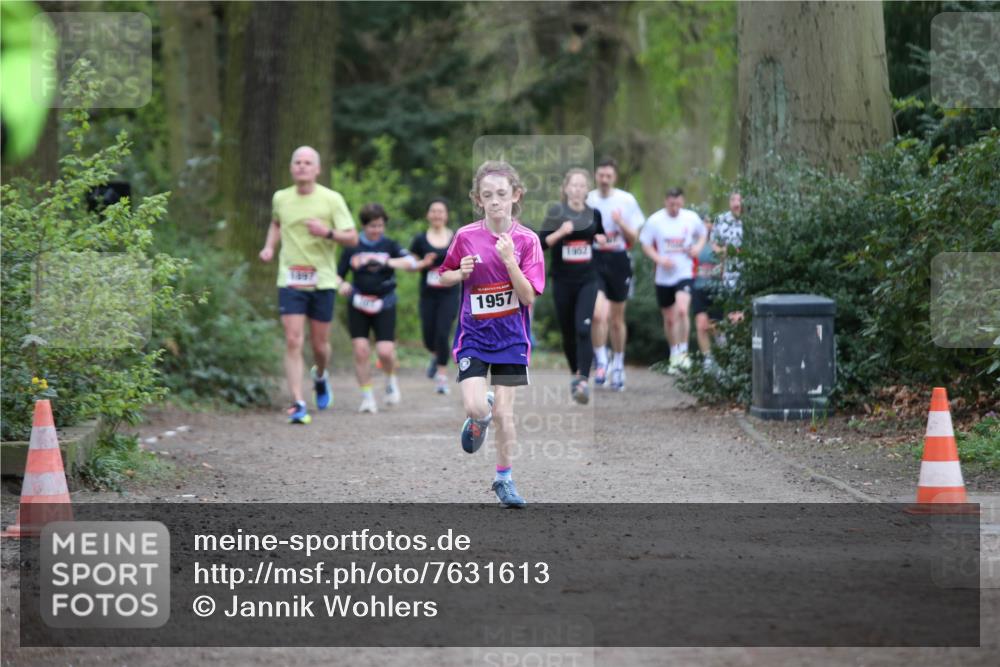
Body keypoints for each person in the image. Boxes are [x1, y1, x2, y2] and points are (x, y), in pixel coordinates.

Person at [438, 160, 545, 508]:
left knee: (504, 413)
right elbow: (444, 275)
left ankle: (504, 479)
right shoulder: (465, 236)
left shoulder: (527, 241)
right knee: (475, 407)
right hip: (474, 335)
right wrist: (459, 273)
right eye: (488, 195)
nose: (496, 200)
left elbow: (528, 297)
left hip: (512, 339)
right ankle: (479, 414)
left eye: (502, 193)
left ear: (515, 195)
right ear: (478, 200)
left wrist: (510, 260)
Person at [259, 146, 358, 425]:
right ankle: (298, 401)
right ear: (291, 168)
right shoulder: (281, 197)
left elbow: (352, 238)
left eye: (307, 163)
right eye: (297, 162)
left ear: (317, 169)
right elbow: (276, 224)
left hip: (323, 280)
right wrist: (269, 247)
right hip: (290, 279)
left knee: (320, 345)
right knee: (293, 340)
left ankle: (320, 375)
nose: (302, 166)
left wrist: (326, 232)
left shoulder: (331, 199)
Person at [338, 203, 420, 413]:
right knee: (361, 350)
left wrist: (388, 261)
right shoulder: (352, 246)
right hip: (358, 303)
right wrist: (342, 284)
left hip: (385, 302)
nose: (377, 230)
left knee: (384, 351)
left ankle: (391, 378)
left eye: (380, 225)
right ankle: (367, 397)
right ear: (364, 226)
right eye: (372, 226)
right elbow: (338, 274)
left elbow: (411, 262)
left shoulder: (389, 244)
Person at [538, 168, 605, 405]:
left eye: (581, 185)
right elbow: (540, 243)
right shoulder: (557, 212)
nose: (577, 189)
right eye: (573, 185)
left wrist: (600, 239)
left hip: (588, 279)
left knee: (583, 329)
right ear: (566, 189)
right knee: (568, 332)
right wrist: (560, 233)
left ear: (587, 190)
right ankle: (575, 373)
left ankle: (583, 380)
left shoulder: (594, 214)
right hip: (562, 281)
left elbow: (600, 235)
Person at [586, 158, 645, 391]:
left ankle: (618, 363)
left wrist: (620, 223)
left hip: (619, 259)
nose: (604, 179)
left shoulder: (626, 201)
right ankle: (601, 360)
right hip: (594, 259)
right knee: (598, 315)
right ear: (595, 176)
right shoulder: (588, 200)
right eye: (601, 175)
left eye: (608, 175)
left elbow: (634, 239)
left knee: (616, 319)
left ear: (615, 177)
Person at [639, 187, 706, 375]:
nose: (675, 208)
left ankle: (684, 352)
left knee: (683, 310)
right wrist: (659, 259)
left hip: (684, 272)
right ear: (665, 201)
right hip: (663, 276)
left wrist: (697, 248)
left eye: (678, 204)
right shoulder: (655, 220)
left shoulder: (691, 217)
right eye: (671, 204)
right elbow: (644, 244)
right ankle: (674, 353)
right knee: (669, 319)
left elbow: (703, 234)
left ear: (683, 202)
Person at [410, 199, 459, 395]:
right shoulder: (420, 239)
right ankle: (434, 355)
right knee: (428, 337)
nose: (437, 215)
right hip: (428, 295)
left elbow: (465, 261)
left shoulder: (456, 238)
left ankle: (441, 377)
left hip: (449, 294)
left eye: (441, 211)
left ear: (446, 215)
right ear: (428, 215)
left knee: (442, 333)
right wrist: (423, 263)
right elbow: (411, 265)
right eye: (434, 211)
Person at [692, 213, 724, 371]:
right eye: (704, 222)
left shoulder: (719, 243)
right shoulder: (695, 243)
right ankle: (708, 359)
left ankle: (723, 354)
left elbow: (727, 262)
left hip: (716, 289)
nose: (707, 225)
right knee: (701, 325)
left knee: (715, 326)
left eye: (710, 222)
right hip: (698, 288)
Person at [712, 191, 744, 324]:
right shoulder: (720, 220)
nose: (736, 203)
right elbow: (714, 244)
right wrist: (723, 252)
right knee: (731, 314)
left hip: (748, 274)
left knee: (743, 314)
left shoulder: (751, 219)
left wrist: (740, 252)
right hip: (728, 274)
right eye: (733, 200)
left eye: (739, 200)